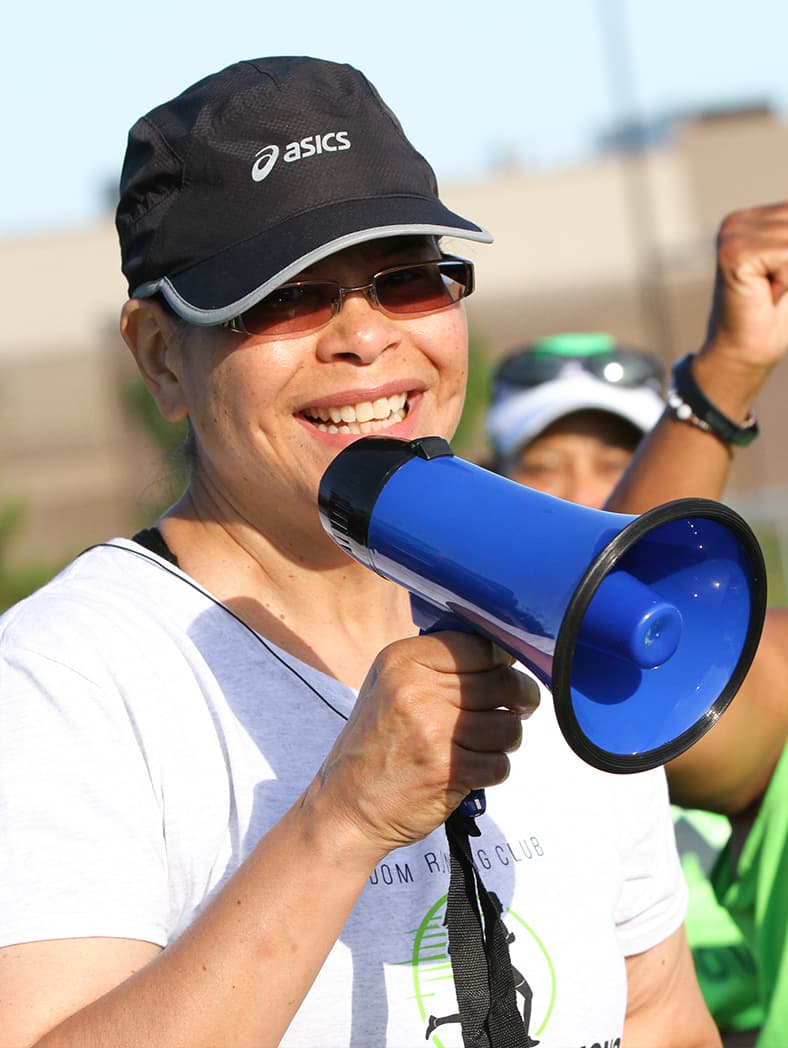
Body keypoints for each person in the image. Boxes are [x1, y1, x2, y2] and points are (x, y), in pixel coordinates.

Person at [0, 55, 755, 1048]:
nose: (363, 336)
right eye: (284, 296)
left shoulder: (566, 600)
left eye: (406, 279)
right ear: (159, 357)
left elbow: (659, 1017)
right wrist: (342, 819)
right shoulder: (64, 677)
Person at [484, 327, 788, 1046]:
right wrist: (724, 377)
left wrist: (726, 373)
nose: (587, 495)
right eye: (544, 465)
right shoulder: (458, 687)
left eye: (621, 464)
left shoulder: (724, 670)